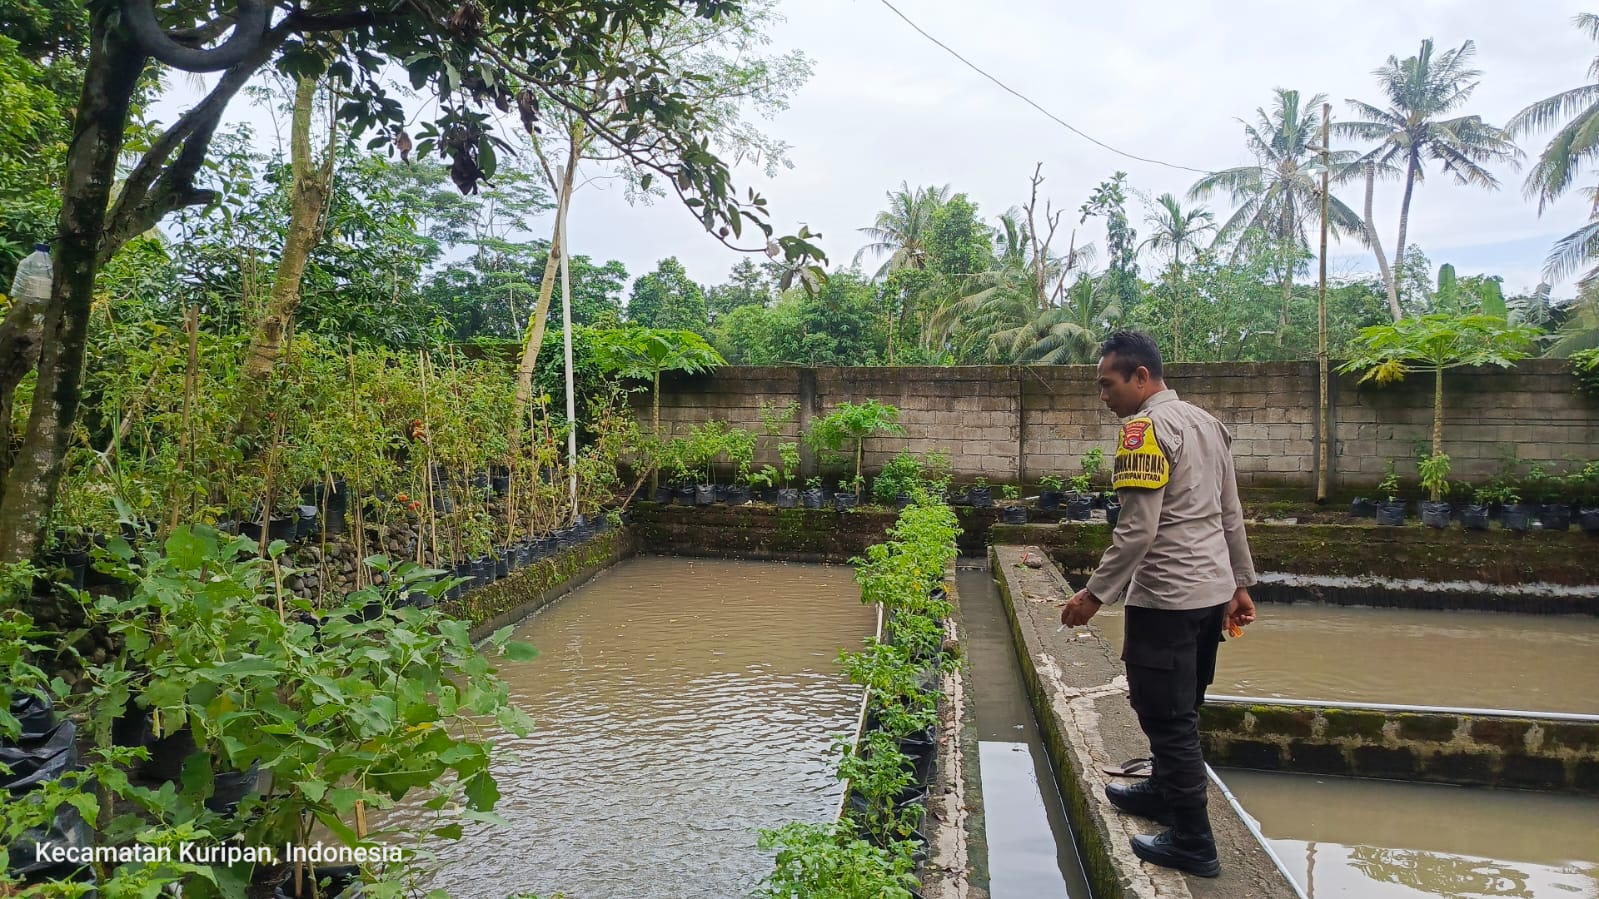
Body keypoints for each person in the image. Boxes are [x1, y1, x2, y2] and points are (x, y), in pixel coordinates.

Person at [1059, 330, 1256, 878]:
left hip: (1168, 597)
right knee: (1181, 708)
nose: (1104, 396)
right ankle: (1163, 794)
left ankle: (1194, 841)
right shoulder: (1207, 424)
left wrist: (1094, 594)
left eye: (1108, 384)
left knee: (1167, 719)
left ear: (1140, 377)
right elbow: (1230, 513)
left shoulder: (1143, 431)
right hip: (1209, 597)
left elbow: (1138, 530)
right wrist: (1241, 585)